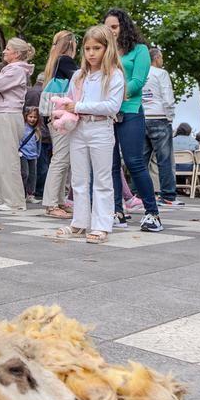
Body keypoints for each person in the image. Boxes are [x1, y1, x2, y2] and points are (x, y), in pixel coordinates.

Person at [56, 25, 124, 243]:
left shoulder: (114, 75)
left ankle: (102, 224)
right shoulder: (78, 75)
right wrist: (65, 112)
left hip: (101, 128)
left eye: (97, 48)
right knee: (78, 178)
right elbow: (69, 101)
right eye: (87, 48)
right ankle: (79, 221)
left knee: (102, 179)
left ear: (107, 49)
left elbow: (112, 106)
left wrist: (78, 106)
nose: (91, 53)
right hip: (79, 128)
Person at [102, 9, 162, 232]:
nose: (111, 32)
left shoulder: (140, 50)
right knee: (111, 164)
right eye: (107, 28)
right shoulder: (104, 52)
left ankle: (152, 213)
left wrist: (114, 95)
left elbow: (137, 81)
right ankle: (117, 211)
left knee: (134, 161)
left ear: (124, 27)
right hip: (106, 113)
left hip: (130, 111)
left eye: (115, 27)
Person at [0, 38, 35, 213]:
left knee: (9, 158)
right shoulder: (11, 70)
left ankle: (15, 200)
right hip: (2, 113)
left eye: (8, 49)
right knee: (0, 158)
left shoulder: (16, 70)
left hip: (9, 114)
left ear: (17, 54)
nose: (4, 52)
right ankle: (4, 196)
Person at [38, 30, 78, 219]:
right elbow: (79, 81)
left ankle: (59, 201)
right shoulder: (66, 61)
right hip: (62, 117)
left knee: (63, 159)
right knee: (61, 159)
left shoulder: (55, 62)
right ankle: (52, 203)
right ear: (71, 44)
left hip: (53, 117)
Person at [141, 46, 182, 207]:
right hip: (160, 117)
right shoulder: (161, 73)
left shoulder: (141, 74)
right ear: (157, 58)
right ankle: (168, 195)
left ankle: (138, 194)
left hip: (142, 117)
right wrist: (170, 118)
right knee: (165, 160)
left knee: (141, 160)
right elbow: (168, 98)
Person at [19, 105, 43, 205]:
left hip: (33, 155)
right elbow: (19, 139)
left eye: (35, 117)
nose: (32, 119)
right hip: (23, 154)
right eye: (30, 116)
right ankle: (22, 193)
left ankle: (30, 194)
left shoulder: (37, 130)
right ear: (26, 116)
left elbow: (38, 143)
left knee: (33, 175)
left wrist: (37, 154)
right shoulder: (23, 127)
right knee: (25, 174)